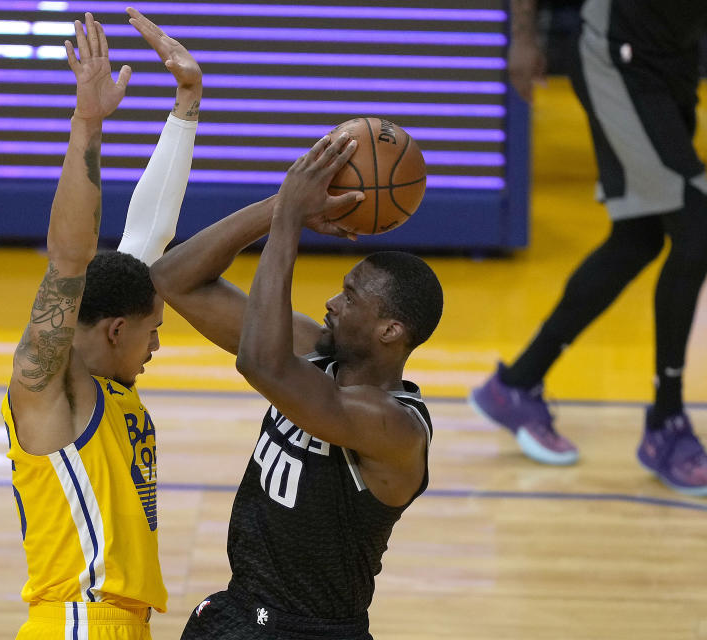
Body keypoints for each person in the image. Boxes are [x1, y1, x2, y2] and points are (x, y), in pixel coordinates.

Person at [150, 134, 444, 639]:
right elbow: (173, 279)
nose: (332, 302)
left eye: (350, 297)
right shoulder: (316, 348)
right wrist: (279, 206)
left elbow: (261, 366)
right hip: (238, 612)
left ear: (390, 331)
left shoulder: (395, 428)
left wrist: (289, 220)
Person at [1, 9, 202, 639]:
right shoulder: (47, 386)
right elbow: (71, 256)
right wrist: (86, 126)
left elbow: (149, 233)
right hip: (79, 625)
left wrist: (186, 105)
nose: (158, 344)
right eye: (153, 330)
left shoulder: (106, 377)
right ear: (116, 328)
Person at [470, 0, 707, 495]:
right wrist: (525, 37)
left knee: (637, 239)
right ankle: (666, 423)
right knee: (696, 225)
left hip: (676, 62)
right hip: (618, 57)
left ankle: (517, 383)